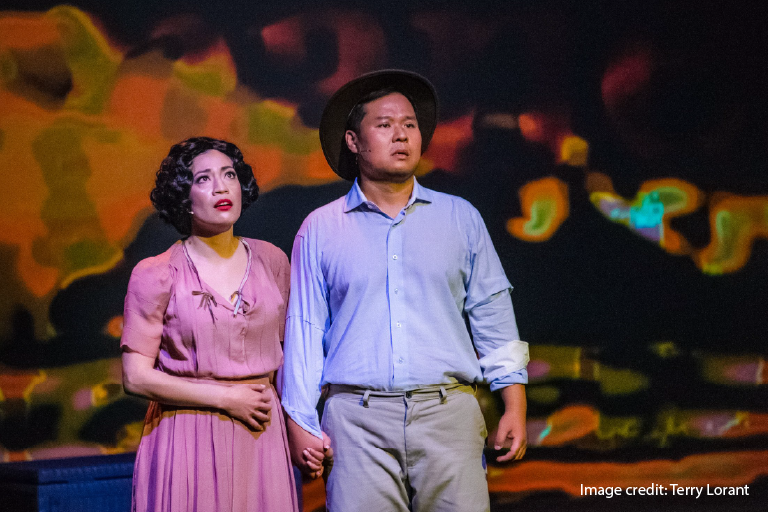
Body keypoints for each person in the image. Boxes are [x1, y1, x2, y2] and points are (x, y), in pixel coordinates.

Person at [282, 70, 529, 511]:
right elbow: (305, 329)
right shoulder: (321, 228)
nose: (402, 134)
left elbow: (493, 312)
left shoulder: (460, 217)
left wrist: (514, 402)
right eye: (385, 124)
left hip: (447, 412)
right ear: (354, 142)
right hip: (357, 420)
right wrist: (299, 419)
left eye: (410, 124)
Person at [120, 137, 301, 512]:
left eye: (229, 174)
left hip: (260, 433)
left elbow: (289, 359)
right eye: (203, 179)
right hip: (187, 433)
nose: (221, 186)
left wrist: (300, 431)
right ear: (183, 196)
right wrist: (225, 398)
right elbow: (135, 377)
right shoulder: (157, 273)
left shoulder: (272, 260)